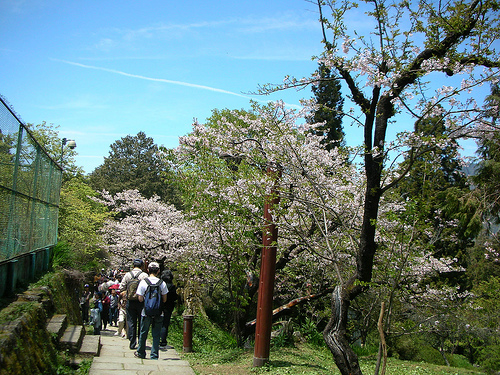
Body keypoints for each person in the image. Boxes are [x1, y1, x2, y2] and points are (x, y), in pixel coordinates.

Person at [134, 262, 168, 360]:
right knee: (156, 334)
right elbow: (165, 299)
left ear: (148, 270)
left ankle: (140, 352)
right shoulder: (162, 283)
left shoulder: (144, 282)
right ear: (158, 271)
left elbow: (140, 298)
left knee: (143, 332)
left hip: (146, 312)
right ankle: (154, 355)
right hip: (159, 312)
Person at [119, 258, 147, 350]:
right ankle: (140, 341)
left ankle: (132, 342)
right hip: (141, 301)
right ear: (142, 266)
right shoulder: (144, 275)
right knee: (141, 321)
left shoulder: (128, 275)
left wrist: (126, 294)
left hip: (130, 301)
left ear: (133, 265)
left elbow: (121, 287)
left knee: (131, 322)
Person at [159, 269, 177, 348]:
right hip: (168, 307)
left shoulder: (160, 284)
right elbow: (174, 297)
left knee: (157, 323)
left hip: (159, 306)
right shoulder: (172, 286)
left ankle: (156, 339)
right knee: (165, 324)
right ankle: (163, 341)